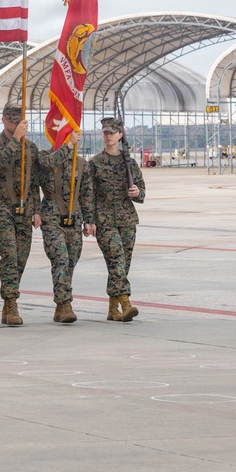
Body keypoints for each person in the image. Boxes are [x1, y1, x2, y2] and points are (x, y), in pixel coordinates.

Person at [0, 105, 41, 326]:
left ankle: (9, 300)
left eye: (19, 122)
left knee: (21, 258)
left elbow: (34, 182)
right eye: (12, 121)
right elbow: (0, 163)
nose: (16, 125)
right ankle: (12, 301)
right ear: (4, 120)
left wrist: (36, 209)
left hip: (24, 209)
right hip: (1, 207)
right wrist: (16, 138)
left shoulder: (31, 148)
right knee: (9, 254)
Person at [83, 117, 145, 322]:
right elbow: (88, 194)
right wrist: (89, 220)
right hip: (105, 220)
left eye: (112, 132)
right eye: (105, 132)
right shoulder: (95, 163)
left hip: (127, 219)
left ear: (120, 135)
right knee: (116, 259)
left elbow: (142, 192)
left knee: (122, 264)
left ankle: (112, 308)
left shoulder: (130, 163)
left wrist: (136, 192)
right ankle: (126, 303)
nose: (108, 135)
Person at [37, 129, 92, 323]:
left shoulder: (81, 163)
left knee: (71, 261)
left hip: (74, 217)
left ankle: (61, 304)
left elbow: (86, 193)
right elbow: (48, 164)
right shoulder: (44, 157)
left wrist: (89, 220)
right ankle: (65, 304)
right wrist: (68, 146)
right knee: (60, 257)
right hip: (51, 215)